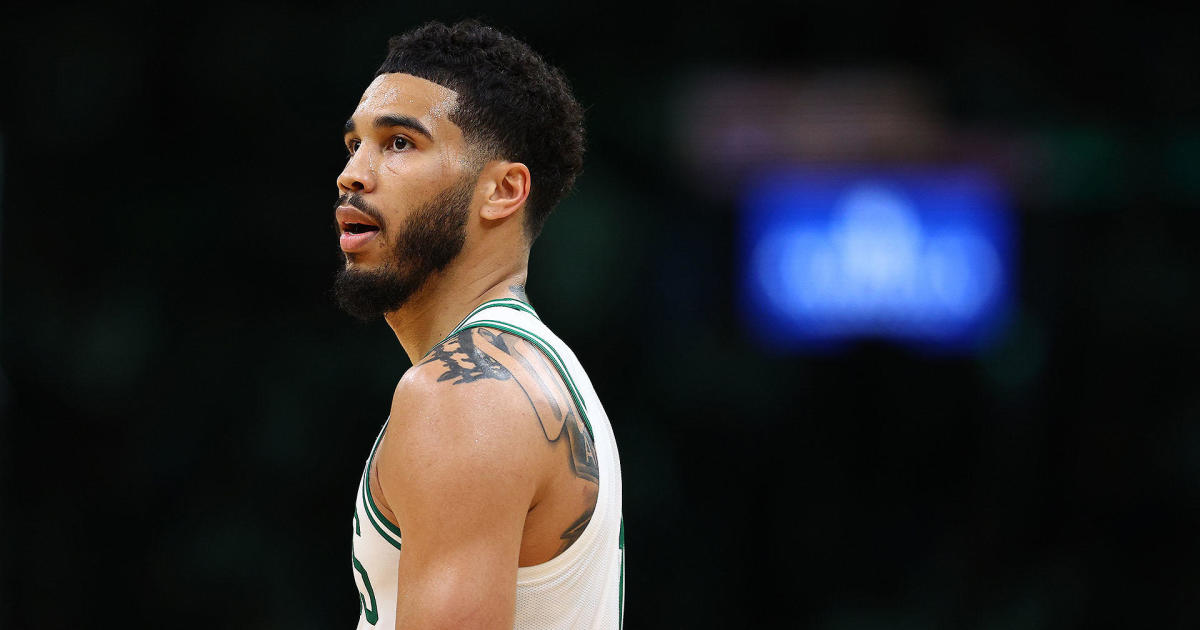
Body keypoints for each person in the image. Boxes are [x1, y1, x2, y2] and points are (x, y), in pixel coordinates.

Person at [333, 20, 624, 629]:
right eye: (354, 144)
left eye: (399, 143)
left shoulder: (469, 398)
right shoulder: (537, 368)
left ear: (503, 190)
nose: (353, 174)